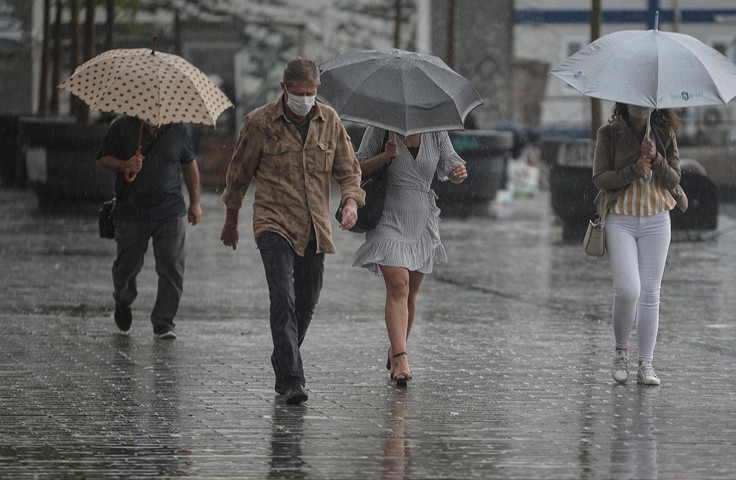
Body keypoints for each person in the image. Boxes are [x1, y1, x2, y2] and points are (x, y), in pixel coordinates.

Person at [220, 59, 365, 405]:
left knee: (307, 302)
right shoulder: (260, 122)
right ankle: (292, 379)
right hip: (273, 223)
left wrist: (351, 203)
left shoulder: (329, 120)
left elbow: (349, 171)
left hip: (315, 226)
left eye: (311, 93)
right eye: (299, 93)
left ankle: (283, 358)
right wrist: (231, 220)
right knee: (282, 297)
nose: (305, 99)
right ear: (284, 89)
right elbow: (238, 175)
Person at [352, 125, 468, 386]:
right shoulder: (380, 127)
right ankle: (402, 358)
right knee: (398, 285)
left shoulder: (436, 129)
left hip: (422, 218)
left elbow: (451, 165)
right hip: (387, 215)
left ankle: (395, 349)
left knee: (411, 293)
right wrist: (384, 157)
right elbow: (356, 168)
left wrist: (457, 172)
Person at [591, 102, 688, 386]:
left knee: (650, 293)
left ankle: (646, 362)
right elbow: (600, 179)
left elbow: (675, 178)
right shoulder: (608, 134)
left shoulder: (664, 132)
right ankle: (621, 351)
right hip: (621, 218)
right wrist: (635, 168)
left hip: (657, 219)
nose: (640, 108)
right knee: (627, 289)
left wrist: (656, 158)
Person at [96, 115, 202, 339]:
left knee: (172, 266)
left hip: (170, 210)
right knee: (127, 266)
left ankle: (164, 321)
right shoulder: (122, 127)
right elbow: (102, 160)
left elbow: (189, 164)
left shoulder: (179, 129)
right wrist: (125, 164)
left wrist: (195, 202)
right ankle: (123, 300)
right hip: (131, 212)